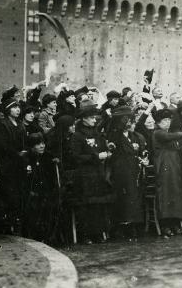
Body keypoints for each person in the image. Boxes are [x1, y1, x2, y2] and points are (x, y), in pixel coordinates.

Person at [70, 100, 113, 244]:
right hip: (85, 175)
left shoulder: (97, 134)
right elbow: (76, 157)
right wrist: (96, 157)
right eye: (92, 118)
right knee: (87, 206)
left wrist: (107, 151)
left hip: (98, 174)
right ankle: (86, 235)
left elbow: (101, 148)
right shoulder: (77, 136)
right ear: (84, 119)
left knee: (98, 206)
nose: (95, 120)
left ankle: (98, 233)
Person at [106, 106, 148, 239]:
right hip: (121, 171)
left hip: (133, 170)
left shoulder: (134, 136)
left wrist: (144, 159)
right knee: (124, 199)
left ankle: (134, 225)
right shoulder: (115, 135)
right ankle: (124, 227)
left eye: (131, 120)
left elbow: (141, 151)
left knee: (134, 198)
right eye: (127, 121)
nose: (130, 123)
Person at [152, 108, 182, 236]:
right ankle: (165, 225)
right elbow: (168, 137)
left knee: (176, 195)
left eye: (169, 120)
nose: (167, 123)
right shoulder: (158, 133)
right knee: (166, 195)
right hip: (164, 168)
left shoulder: (169, 134)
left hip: (174, 168)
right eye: (164, 120)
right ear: (158, 122)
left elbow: (177, 147)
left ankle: (175, 222)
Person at [0, 98, 27, 233]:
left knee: (18, 193)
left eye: (18, 107)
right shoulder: (2, 125)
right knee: (8, 194)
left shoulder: (20, 124)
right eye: (14, 107)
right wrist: (17, 154)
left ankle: (15, 221)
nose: (18, 110)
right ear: (8, 110)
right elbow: (3, 145)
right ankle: (6, 224)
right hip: (7, 163)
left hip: (19, 164)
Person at [22, 133, 60, 243]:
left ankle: (47, 236)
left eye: (43, 143)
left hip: (46, 192)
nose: (42, 146)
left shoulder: (48, 156)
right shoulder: (26, 158)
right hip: (31, 193)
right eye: (38, 144)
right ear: (32, 146)